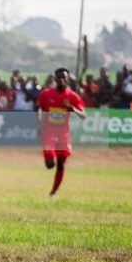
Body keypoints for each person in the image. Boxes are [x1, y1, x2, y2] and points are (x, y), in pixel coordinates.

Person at [37, 68, 86, 197]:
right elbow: (40, 109)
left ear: (68, 79)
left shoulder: (72, 96)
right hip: (48, 133)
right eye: (59, 77)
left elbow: (83, 115)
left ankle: (53, 192)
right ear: (55, 79)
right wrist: (39, 124)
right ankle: (48, 160)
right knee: (49, 164)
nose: (61, 80)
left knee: (61, 164)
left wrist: (73, 109)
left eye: (64, 77)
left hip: (63, 135)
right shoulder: (46, 94)